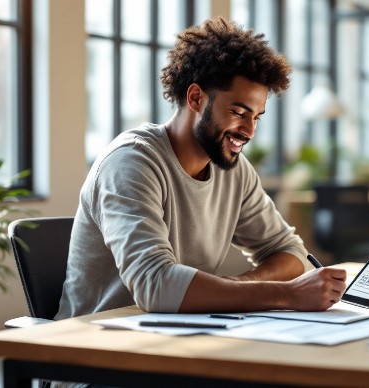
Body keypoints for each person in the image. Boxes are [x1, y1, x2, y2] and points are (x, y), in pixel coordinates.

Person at [55, 17, 347, 320]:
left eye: (257, 117)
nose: (248, 131)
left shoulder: (233, 169)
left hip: (180, 334)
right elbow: (155, 285)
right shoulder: (131, 163)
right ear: (196, 98)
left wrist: (240, 285)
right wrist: (288, 294)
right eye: (238, 112)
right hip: (98, 345)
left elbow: (291, 252)